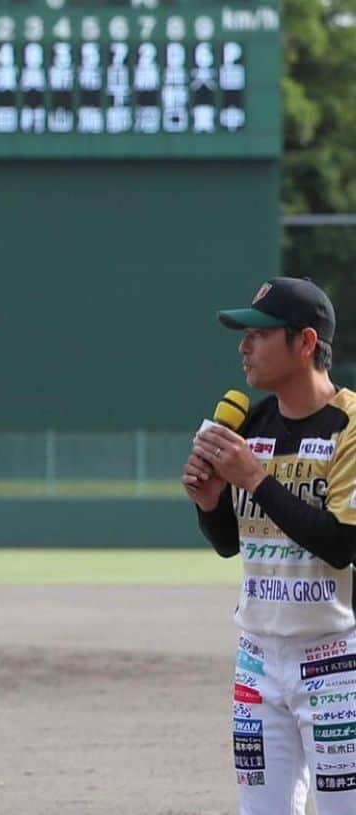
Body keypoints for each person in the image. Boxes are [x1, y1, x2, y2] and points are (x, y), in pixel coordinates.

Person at [182, 276, 356, 814]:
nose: (244, 346)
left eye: (258, 334)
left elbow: (340, 543)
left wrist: (255, 478)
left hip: (336, 658)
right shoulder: (251, 423)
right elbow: (232, 545)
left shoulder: (349, 425)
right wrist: (210, 501)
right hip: (257, 658)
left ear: (305, 343)